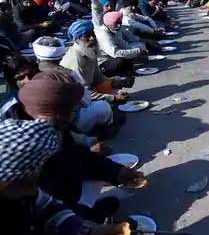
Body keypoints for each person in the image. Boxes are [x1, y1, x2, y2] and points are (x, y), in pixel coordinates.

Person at [18, 72, 147, 221]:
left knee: (96, 166)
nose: (67, 117)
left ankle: (84, 213)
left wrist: (118, 173)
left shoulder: (55, 127)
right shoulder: (22, 145)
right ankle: (84, 216)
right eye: (64, 111)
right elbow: (43, 201)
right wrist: (87, 229)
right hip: (39, 218)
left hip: (61, 194)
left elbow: (81, 157)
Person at [0, 118, 128, 235]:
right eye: (26, 184)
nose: (33, 190)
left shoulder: (20, 190)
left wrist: (89, 230)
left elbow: (48, 207)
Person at [61, 20, 132, 103]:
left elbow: (99, 78)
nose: (92, 38)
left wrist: (119, 83)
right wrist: (113, 98)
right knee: (103, 108)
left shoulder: (89, 50)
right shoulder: (76, 61)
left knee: (117, 79)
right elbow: (84, 93)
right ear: (76, 40)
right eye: (86, 36)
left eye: (93, 34)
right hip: (78, 98)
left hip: (90, 88)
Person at [96, 11, 147, 77]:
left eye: (120, 23)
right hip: (104, 62)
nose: (119, 25)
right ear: (109, 23)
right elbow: (115, 53)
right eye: (116, 23)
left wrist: (139, 50)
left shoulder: (114, 29)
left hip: (113, 58)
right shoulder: (103, 34)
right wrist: (136, 51)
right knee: (121, 59)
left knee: (134, 50)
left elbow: (124, 45)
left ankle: (127, 72)